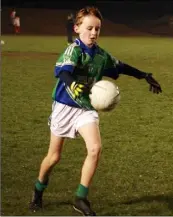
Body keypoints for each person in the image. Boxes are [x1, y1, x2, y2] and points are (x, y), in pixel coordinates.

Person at [29, 6, 162, 216]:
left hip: (85, 109)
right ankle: (38, 190)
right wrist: (72, 84)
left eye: (97, 29)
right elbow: (63, 72)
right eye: (89, 28)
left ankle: (80, 198)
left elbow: (121, 67)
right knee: (54, 157)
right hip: (64, 107)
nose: (93, 33)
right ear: (77, 28)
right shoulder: (74, 50)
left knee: (95, 149)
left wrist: (144, 75)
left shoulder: (101, 55)